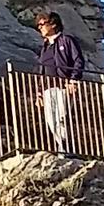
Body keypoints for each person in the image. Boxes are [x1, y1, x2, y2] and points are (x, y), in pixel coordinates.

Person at [32, 12, 85, 152]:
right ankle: (63, 148)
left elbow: (78, 60)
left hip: (64, 86)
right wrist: (39, 92)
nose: (40, 28)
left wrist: (73, 80)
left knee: (62, 116)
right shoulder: (45, 48)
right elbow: (41, 71)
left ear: (53, 24)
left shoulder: (66, 40)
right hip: (47, 89)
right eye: (39, 26)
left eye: (42, 24)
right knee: (51, 120)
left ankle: (68, 149)